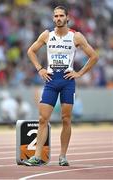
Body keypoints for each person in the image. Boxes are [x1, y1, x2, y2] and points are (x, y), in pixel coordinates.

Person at [24, 6, 98, 166]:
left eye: (61, 16)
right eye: (56, 16)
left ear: (67, 18)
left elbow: (93, 56)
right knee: (42, 119)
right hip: (51, 80)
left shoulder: (76, 37)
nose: (58, 18)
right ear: (53, 19)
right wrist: (40, 68)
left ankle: (63, 156)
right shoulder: (46, 35)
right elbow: (31, 51)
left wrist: (79, 73)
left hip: (67, 81)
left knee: (66, 119)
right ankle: (37, 156)